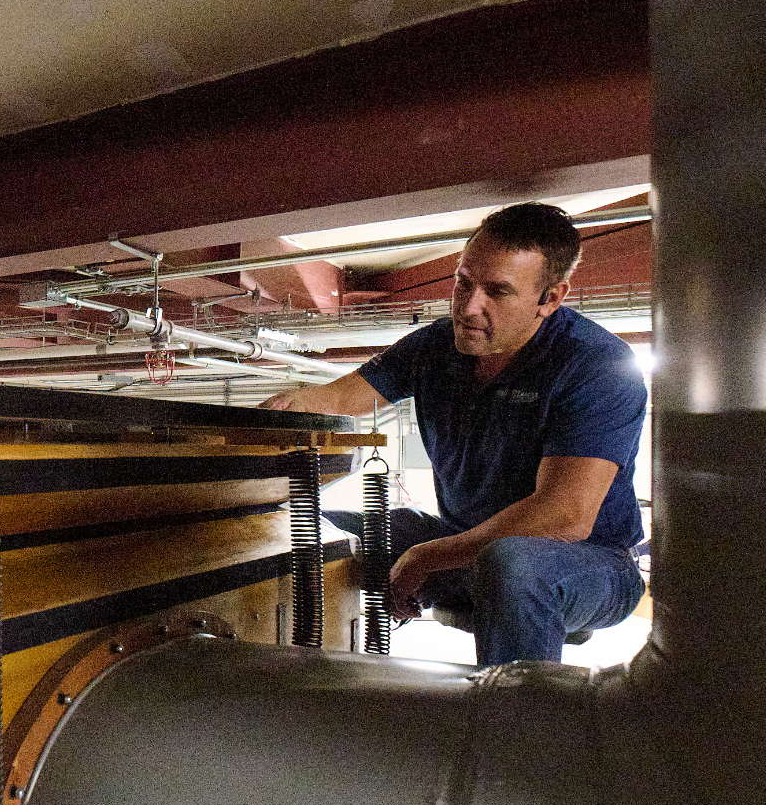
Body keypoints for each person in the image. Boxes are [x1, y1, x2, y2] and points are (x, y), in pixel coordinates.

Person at [261, 202, 646, 664]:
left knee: (514, 563)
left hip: (586, 564)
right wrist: (278, 411)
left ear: (550, 298)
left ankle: (516, 706)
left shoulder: (596, 365)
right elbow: (339, 397)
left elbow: (564, 517)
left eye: (497, 291)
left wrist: (426, 558)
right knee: (304, 530)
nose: (468, 307)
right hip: (460, 541)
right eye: (463, 282)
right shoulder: (434, 346)